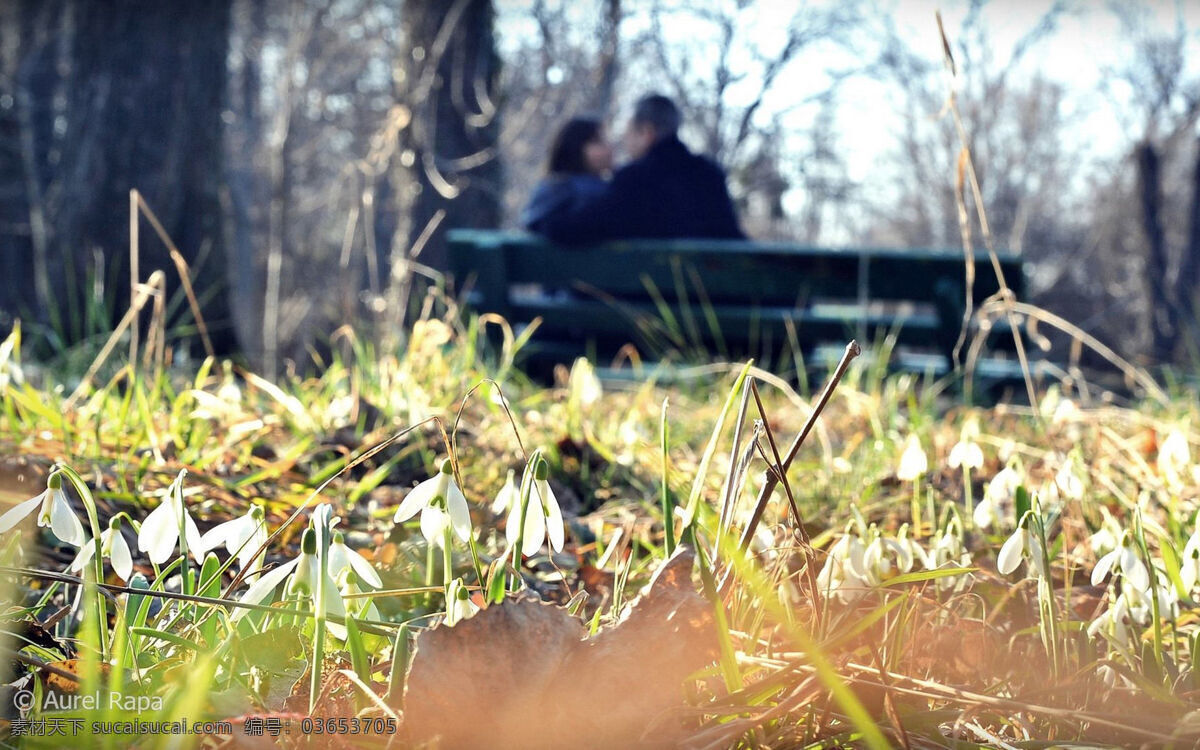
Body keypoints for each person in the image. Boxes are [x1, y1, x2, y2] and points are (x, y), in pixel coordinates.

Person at [540, 94, 744, 244]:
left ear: (646, 132)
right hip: (716, 297)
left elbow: (568, 229)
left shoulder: (634, 179)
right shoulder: (710, 174)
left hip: (651, 298)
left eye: (628, 131)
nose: (623, 141)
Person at [521, 117, 613, 233]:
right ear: (575, 146)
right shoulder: (557, 187)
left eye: (607, 141)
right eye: (597, 142)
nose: (609, 148)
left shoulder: (610, 186)